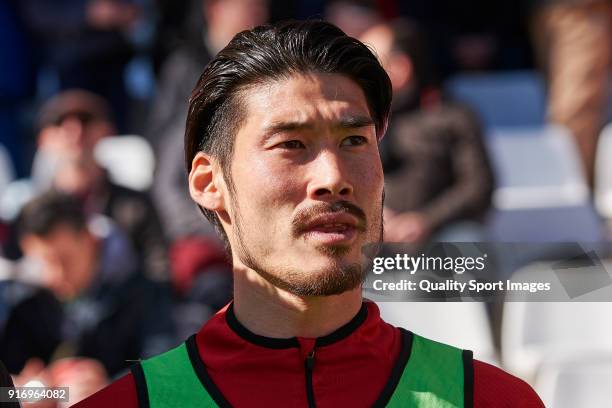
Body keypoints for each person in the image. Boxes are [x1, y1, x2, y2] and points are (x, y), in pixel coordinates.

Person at [76, 20, 543, 407]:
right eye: (292, 144)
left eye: (355, 141)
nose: (333, 176)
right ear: (208, 183)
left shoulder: (492, 400)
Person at [360, 20, 494, 244]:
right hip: (374, 239)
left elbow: (478, 187)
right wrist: (371, 215)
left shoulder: (452, 116)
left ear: (401, 68)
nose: (356, 74)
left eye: (368, 65)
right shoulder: (357, 119)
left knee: (467, 242)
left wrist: (425, 221)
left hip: (441, 236)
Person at [32, 90, 169, 283]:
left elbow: (159, 270)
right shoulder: (32, 212)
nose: (74, 132)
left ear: (106, 130)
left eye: (85, 121)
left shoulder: (134, 205)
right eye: (59, 122)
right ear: (43, 139)